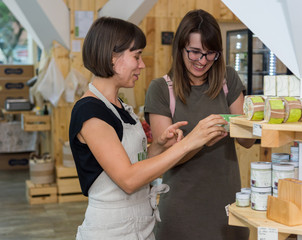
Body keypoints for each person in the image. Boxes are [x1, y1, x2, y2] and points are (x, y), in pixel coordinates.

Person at [69, 16, 229, 240]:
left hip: (139, 226)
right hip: (111, 231)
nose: (142, 64)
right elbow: (128, 179)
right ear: (112, 57)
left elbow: (133, 162)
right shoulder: (90, 113)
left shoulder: (119, 106)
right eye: (137, 56)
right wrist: (192, 141)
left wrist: (159, 147)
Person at [144, 9, 254, 239]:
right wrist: (200, 139)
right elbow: (164, 160)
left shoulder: (229, 80)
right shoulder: (161, 90)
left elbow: (247, 141)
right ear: (180, 47)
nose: (202, 61)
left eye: (210, 53)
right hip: (181, 210)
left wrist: (250, 121)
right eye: (194, 52)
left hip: (227, 205)